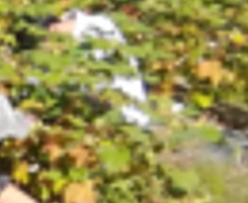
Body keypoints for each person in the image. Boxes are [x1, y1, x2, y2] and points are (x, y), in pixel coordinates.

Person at [17, 9, 153, 128]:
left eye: (43, 42)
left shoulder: (98, 27)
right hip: (96, 123)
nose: (45, 49)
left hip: (128, 120)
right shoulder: (54, 54)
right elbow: (32, 85)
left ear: (53, 29)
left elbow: (91, 82)